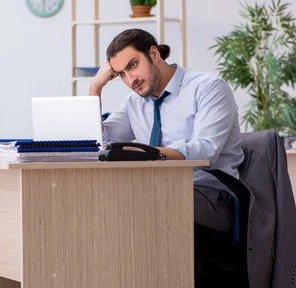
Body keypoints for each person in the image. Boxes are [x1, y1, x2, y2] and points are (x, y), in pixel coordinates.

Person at [89, 28, 245, 233]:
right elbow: (99, 141)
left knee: (130, 205)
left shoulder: (208, 87)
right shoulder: (135, 103)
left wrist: (149, 155)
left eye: (133, 65)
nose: (130, 80)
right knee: (95, 199)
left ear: (154, 54)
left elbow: (205, 149)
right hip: (155, 191)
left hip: (211, 195)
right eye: (121, 75)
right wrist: (95, 88)